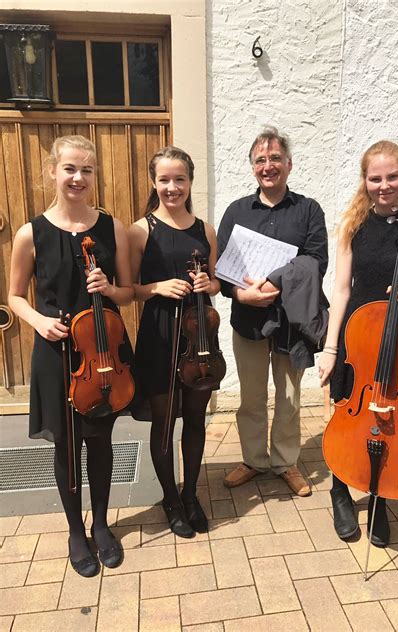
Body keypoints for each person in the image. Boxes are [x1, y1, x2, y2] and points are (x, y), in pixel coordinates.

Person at [8, 135, 134, 577]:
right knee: (66, 446)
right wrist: (38, 321)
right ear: (53, 172)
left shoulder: (111, 227)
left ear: (95, 175)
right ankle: (75, 532)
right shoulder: (30, 233)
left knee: (101, 440)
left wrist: (109, 289)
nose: (78, 178)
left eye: (87, 170)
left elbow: (128, 291)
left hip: (102, 354)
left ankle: (101, 524)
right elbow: (14, 296)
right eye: (70, 169)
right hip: (56, 354)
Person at [319, 140, 398, 546]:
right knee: (346, 412)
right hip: (357, 338)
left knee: (389, 421)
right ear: (365, 180)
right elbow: (340, 290)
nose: (384, 185)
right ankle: (340, 489)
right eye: (376, 178)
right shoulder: (353, 225)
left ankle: (380, 496)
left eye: (392, 177)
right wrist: (331, 348)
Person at [217, 126, 328, 497]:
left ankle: (285, 461)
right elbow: (221, 269)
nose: (268, 166)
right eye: (261, 160)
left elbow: (316, 262)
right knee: (250, 397)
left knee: (289, 397)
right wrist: (240, 295)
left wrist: (277, 281)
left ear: (289, 164)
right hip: (247, 319)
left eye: (275, 158)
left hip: (289, 322)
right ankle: (253, 459)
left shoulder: (309, 210)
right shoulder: (236, 211)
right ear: (253, 168)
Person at [128, 146, 220, 538]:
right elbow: (127, 288)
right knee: (165, 422)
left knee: (196, 419)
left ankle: (190, 493)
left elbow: (218, 281)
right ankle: (170, 498)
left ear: (190, 182)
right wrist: (157, 286)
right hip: (161, 334)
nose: (172, 187)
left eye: (179, 179)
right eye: (164, 179)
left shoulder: (205, 229)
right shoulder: (139, 229)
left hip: (199, 337)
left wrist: (207, 283)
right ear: (154, 182)